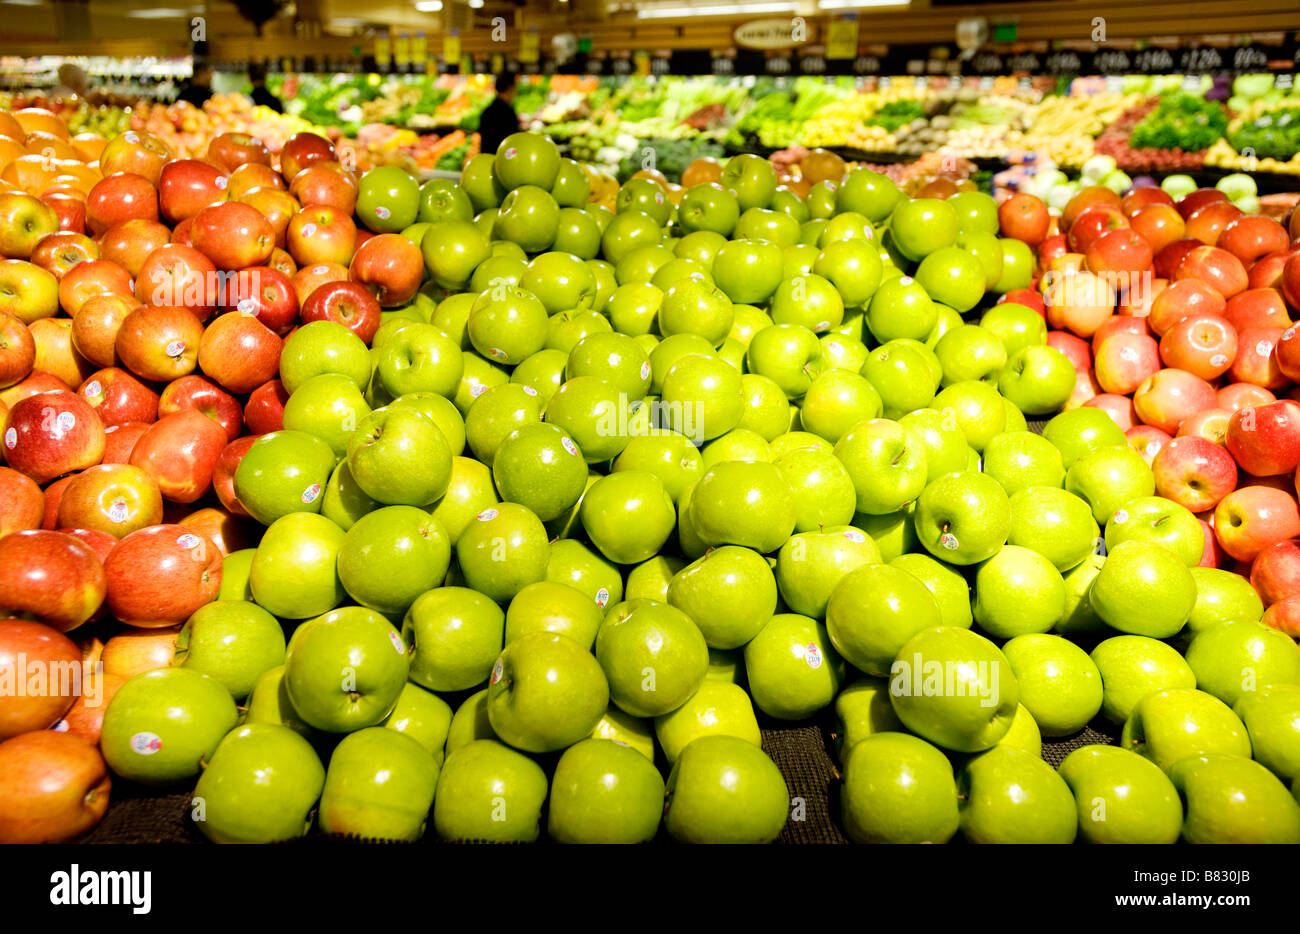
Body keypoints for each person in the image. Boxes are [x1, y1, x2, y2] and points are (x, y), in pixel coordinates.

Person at [477, 71, 520, 155]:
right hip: (503, 160)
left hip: (487, 160)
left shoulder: (487, 111)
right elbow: (512, 144)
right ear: (510, 88)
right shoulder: (508, 114)